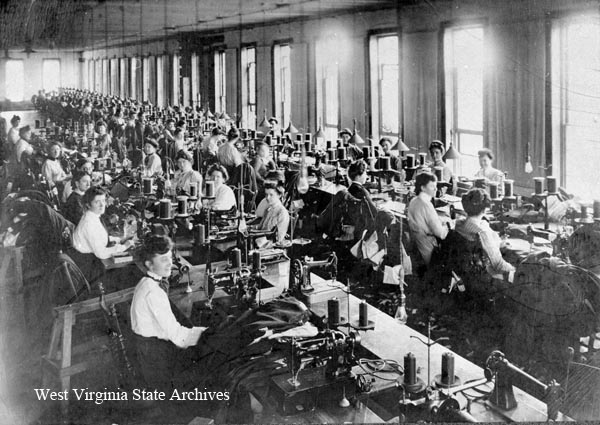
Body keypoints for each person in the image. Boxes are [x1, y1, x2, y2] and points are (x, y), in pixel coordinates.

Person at [130, 234, 206, 392]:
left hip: (148, 350)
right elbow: (178, 337)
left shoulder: (147, 282)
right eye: (163, 260)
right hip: (154, 361)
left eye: (170, 258)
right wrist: (206, 333)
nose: (170, 264)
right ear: (149, 265)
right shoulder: (153, 292)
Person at [71, 187, 133, 281]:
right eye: (97, 202)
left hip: (90, 258)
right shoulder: (89, 223)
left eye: (103, 200)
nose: (102, 205)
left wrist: (119, 240)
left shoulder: (93, 216)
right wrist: (124, 247)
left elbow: (99, 237)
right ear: (88, 205)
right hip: (87, 265)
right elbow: (101, 253)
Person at [455, 188, 515, 280]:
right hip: (486, 274)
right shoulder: (482, 232)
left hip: (466, 272)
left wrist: (497, 242)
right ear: (485, 209)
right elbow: (498, 265)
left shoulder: (458, 224)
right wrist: (515, 270)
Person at [407, 172, 449, 265]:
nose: (435, 189)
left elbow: (424, 220)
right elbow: (441, 234)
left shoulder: (414, 200)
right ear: (423, 188)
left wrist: (440, 220)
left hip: (416, 246)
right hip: (428, 251)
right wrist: (448, 225)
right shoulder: (426, 205)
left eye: (436, 186)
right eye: (432, 186)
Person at [347, 159, 378, 239]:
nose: (366, 176)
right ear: (359, 175)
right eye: (365, 173)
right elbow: (375, 212)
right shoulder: (363, 192)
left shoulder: (349, 189)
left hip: (353, 226)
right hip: (364, 230)